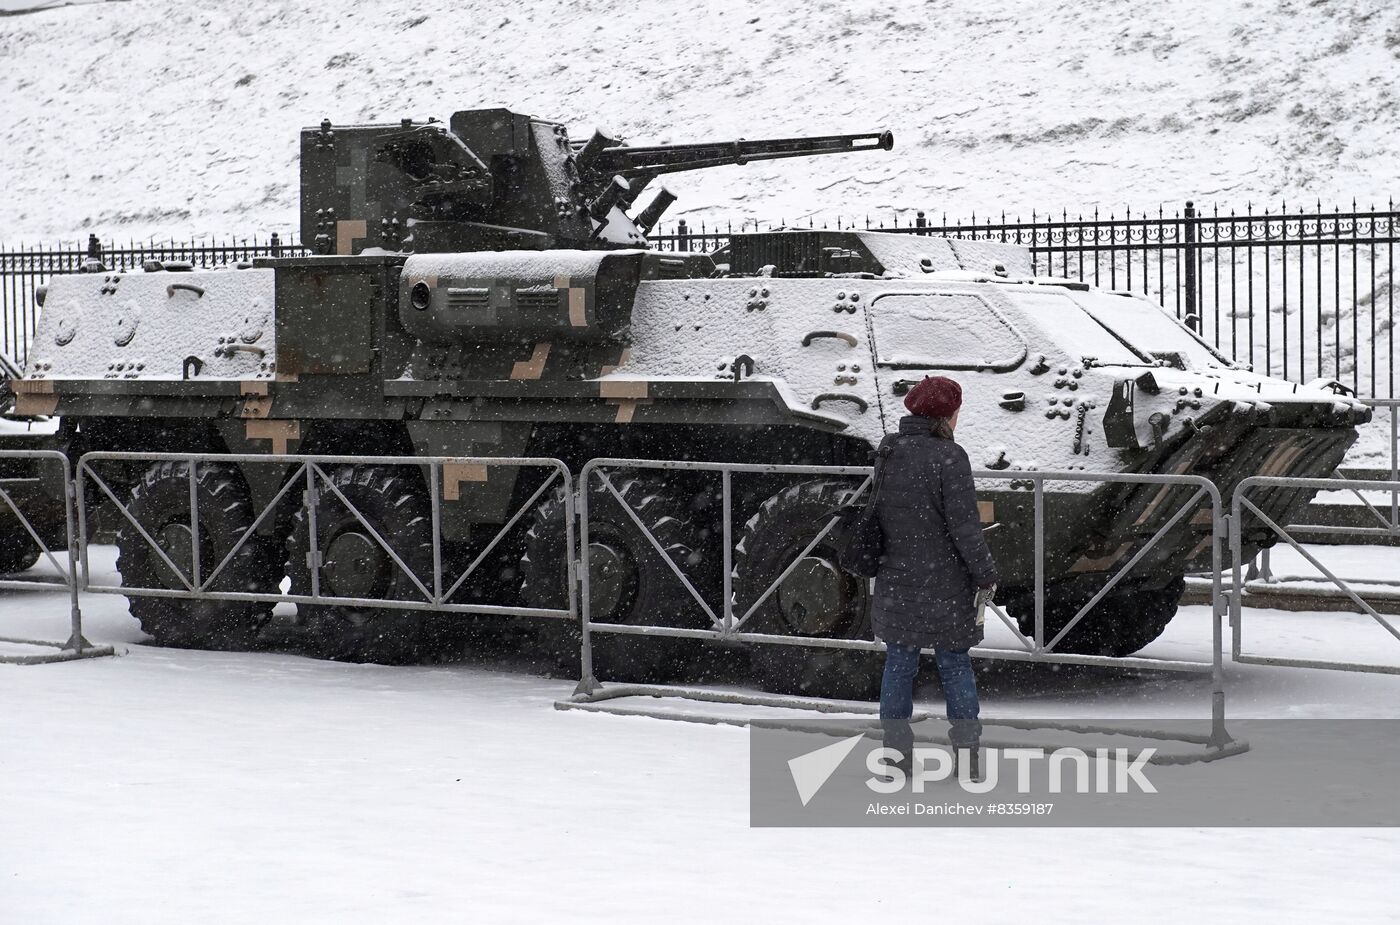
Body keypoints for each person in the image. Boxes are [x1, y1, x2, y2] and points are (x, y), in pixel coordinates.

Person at [872, 375, 999, 780]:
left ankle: (895, 755)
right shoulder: (950, 457)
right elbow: (965, 527)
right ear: (948, 414)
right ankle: (966, 756)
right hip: (945, 581)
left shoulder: (889, 450)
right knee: (954, 664)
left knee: (899, 663)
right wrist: (985, 573)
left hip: (897, 577)